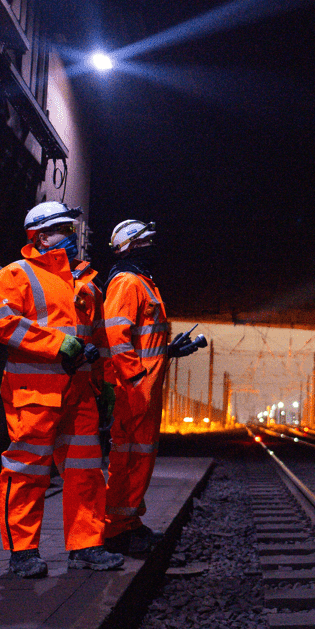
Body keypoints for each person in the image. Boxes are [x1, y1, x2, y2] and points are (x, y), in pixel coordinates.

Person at [0, 201, 124, 578]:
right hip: (34, 391)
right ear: (41, 235)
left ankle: (86, 544)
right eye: (64, 229)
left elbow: (99, 340)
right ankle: (23, 551)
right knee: (27, 470)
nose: (72, 236)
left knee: (86, 470)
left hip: (79, 394)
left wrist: (105, 384)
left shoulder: (87, 286)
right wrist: (54, 343)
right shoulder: (18, 274)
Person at [103, 220, 203, 555]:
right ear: (129, 246)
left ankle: (131, 522)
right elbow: (116, 338)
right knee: (127, 459)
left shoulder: (144, 283)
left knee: (140, 459)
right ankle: (116, 532)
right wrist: (134, 380)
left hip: (145, 385)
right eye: (145, 241)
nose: (151, 246)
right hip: (134, 387)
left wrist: (170, 350)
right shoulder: (126, 282)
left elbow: (141, 338)